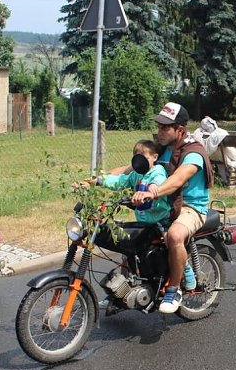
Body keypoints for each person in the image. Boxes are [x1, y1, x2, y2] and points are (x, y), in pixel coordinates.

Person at [131, 103, 214, 314]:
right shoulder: (161, 150)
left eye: (165, 128)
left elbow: (178, 179)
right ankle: (126, 286)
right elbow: (128, 170)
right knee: (130, 236)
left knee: (175, 236)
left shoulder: (193, 152)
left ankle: (174, 290)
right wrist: (97, 180)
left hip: (191, 207)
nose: (159, 132)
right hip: (166, 204)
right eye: (158, 127)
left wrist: (153, 192)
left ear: (180, 129)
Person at [87, 140, 198, 292]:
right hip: (144, 222)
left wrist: (151, 191)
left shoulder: (157, 171)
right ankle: (120, 290)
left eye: (144, 156)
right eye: (136, 156)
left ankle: (186, 270)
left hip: (161, 219)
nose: (140, 160)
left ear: (154, 157)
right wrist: (97, 181)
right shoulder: (135, 175)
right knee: (126, 248)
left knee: (170, 240)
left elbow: (156, 183)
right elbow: (119, 181)